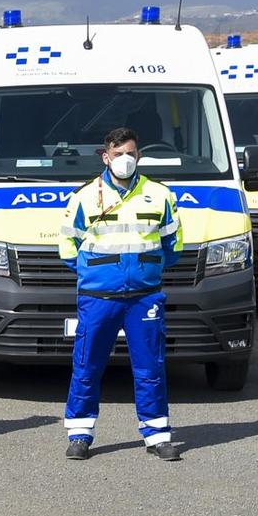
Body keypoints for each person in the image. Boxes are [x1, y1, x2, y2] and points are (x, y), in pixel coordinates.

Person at [58, 127, 184, 462]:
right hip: (99, 298)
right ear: (105, 157)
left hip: (145, 297)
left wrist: (145, 271)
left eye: (130, 153)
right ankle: (80, 434)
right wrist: (98, 274)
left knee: (150, 367)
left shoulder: (160, 195)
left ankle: (157, 434)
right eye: (118, 154)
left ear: (138, 155)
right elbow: (67, 247)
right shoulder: (84, 197)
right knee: (87, 365)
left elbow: (174, 247)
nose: (125, 160)